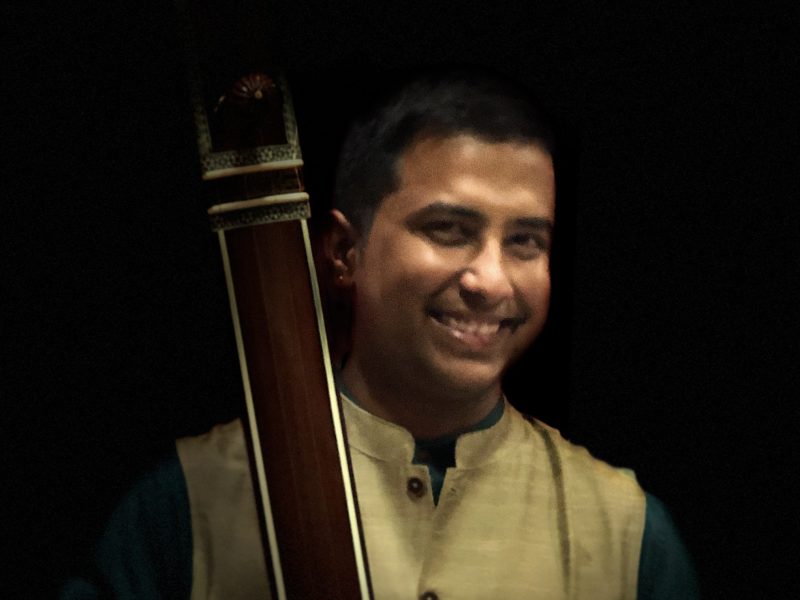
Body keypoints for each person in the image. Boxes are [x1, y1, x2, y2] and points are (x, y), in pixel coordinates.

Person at [62, 69, 699, 599]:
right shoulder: (188, 503)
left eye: (526, 241)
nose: (491, 280)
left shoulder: (628, 532)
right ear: (345, 252)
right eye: (449, 230)